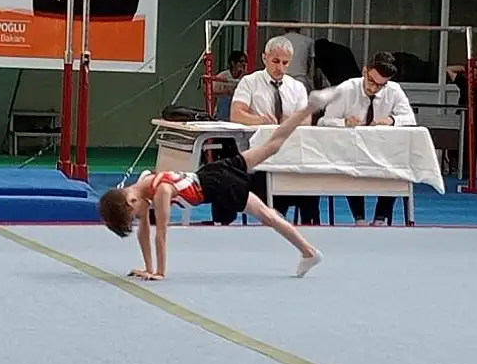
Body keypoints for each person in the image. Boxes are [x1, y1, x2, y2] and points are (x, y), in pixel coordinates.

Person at [97, 87, 344, 281]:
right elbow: (144, 231)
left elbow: (160, 234)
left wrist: (159, 272)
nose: (139, 218)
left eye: (134, 215)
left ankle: (309, 251)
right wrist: (147, 268)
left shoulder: (161, 191)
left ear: (131, 201)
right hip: (214, 171)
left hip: (218, 185)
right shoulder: (143, 183)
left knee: (267, 215)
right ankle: (311, 105)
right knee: (272, 145)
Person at [230, 35, 321, 225]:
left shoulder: (297, 87)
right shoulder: (249, 82)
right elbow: (236, 114)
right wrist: (259, 120)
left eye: (285, 63)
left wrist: (292, 121)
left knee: (310, 181)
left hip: (290, 157)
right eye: (276, 61)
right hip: (258, 157)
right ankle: (274, 217)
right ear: (265, 58)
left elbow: (307, 120)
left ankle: (309, 226)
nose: (280, 67)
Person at [318, 51, 416, 226]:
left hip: (382, 152)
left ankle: (380, 218)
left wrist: (392, 120)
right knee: (352, 167)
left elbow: (410, 119)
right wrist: (344, 122)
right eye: (371, 81)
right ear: (364, 71)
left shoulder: (394, 90)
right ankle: (359, 219)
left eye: (380, 85)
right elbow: (323, 122)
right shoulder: (346, 89)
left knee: (397, 169)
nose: (374, 88)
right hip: (350, 151)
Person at [213, 50, 247, 121]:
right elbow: (212, 92)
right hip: (223, 110)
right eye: (241, 61)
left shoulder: (246, 77)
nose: (243, 64)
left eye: (245, 62)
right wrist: (225, 92)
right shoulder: (222, 76)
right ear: (233, 63)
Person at [281, 22, 316, 92]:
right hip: (300, 78)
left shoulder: (279, 40)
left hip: (283, 77)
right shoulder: (308, 41)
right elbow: (311, 64)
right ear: (299, 29)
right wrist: (311, 82)